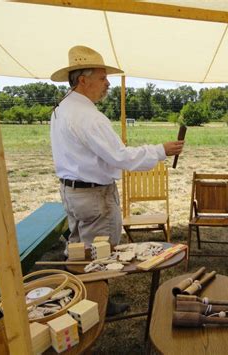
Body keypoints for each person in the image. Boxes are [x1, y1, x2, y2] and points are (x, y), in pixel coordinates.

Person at [50, 46, 184, 315]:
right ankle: (93, 305)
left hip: (74, 192)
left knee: (79, 249)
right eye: (102, 77)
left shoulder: (62, 108)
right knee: (98, 254)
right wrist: (160, 150)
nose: (107, 83)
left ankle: (83, 297)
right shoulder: (88, 116)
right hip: (93, 196)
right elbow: (121, 157)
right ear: (82, 80)